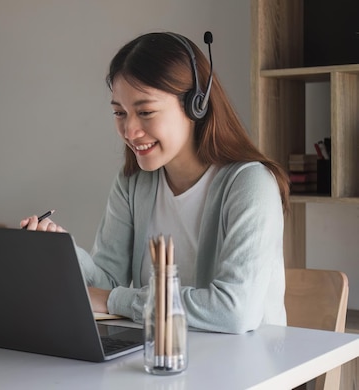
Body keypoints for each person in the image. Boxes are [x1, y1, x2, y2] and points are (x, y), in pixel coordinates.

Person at [20, 31, 290, 334]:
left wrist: (113, 301)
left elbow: (234, 312)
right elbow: (107, 282)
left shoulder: (251, 184)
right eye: (119, 113)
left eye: (145, 112)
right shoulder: (133, 182)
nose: (130, 130)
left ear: (196, 106)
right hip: (160, 362)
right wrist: (62, 252)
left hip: (248, 372)